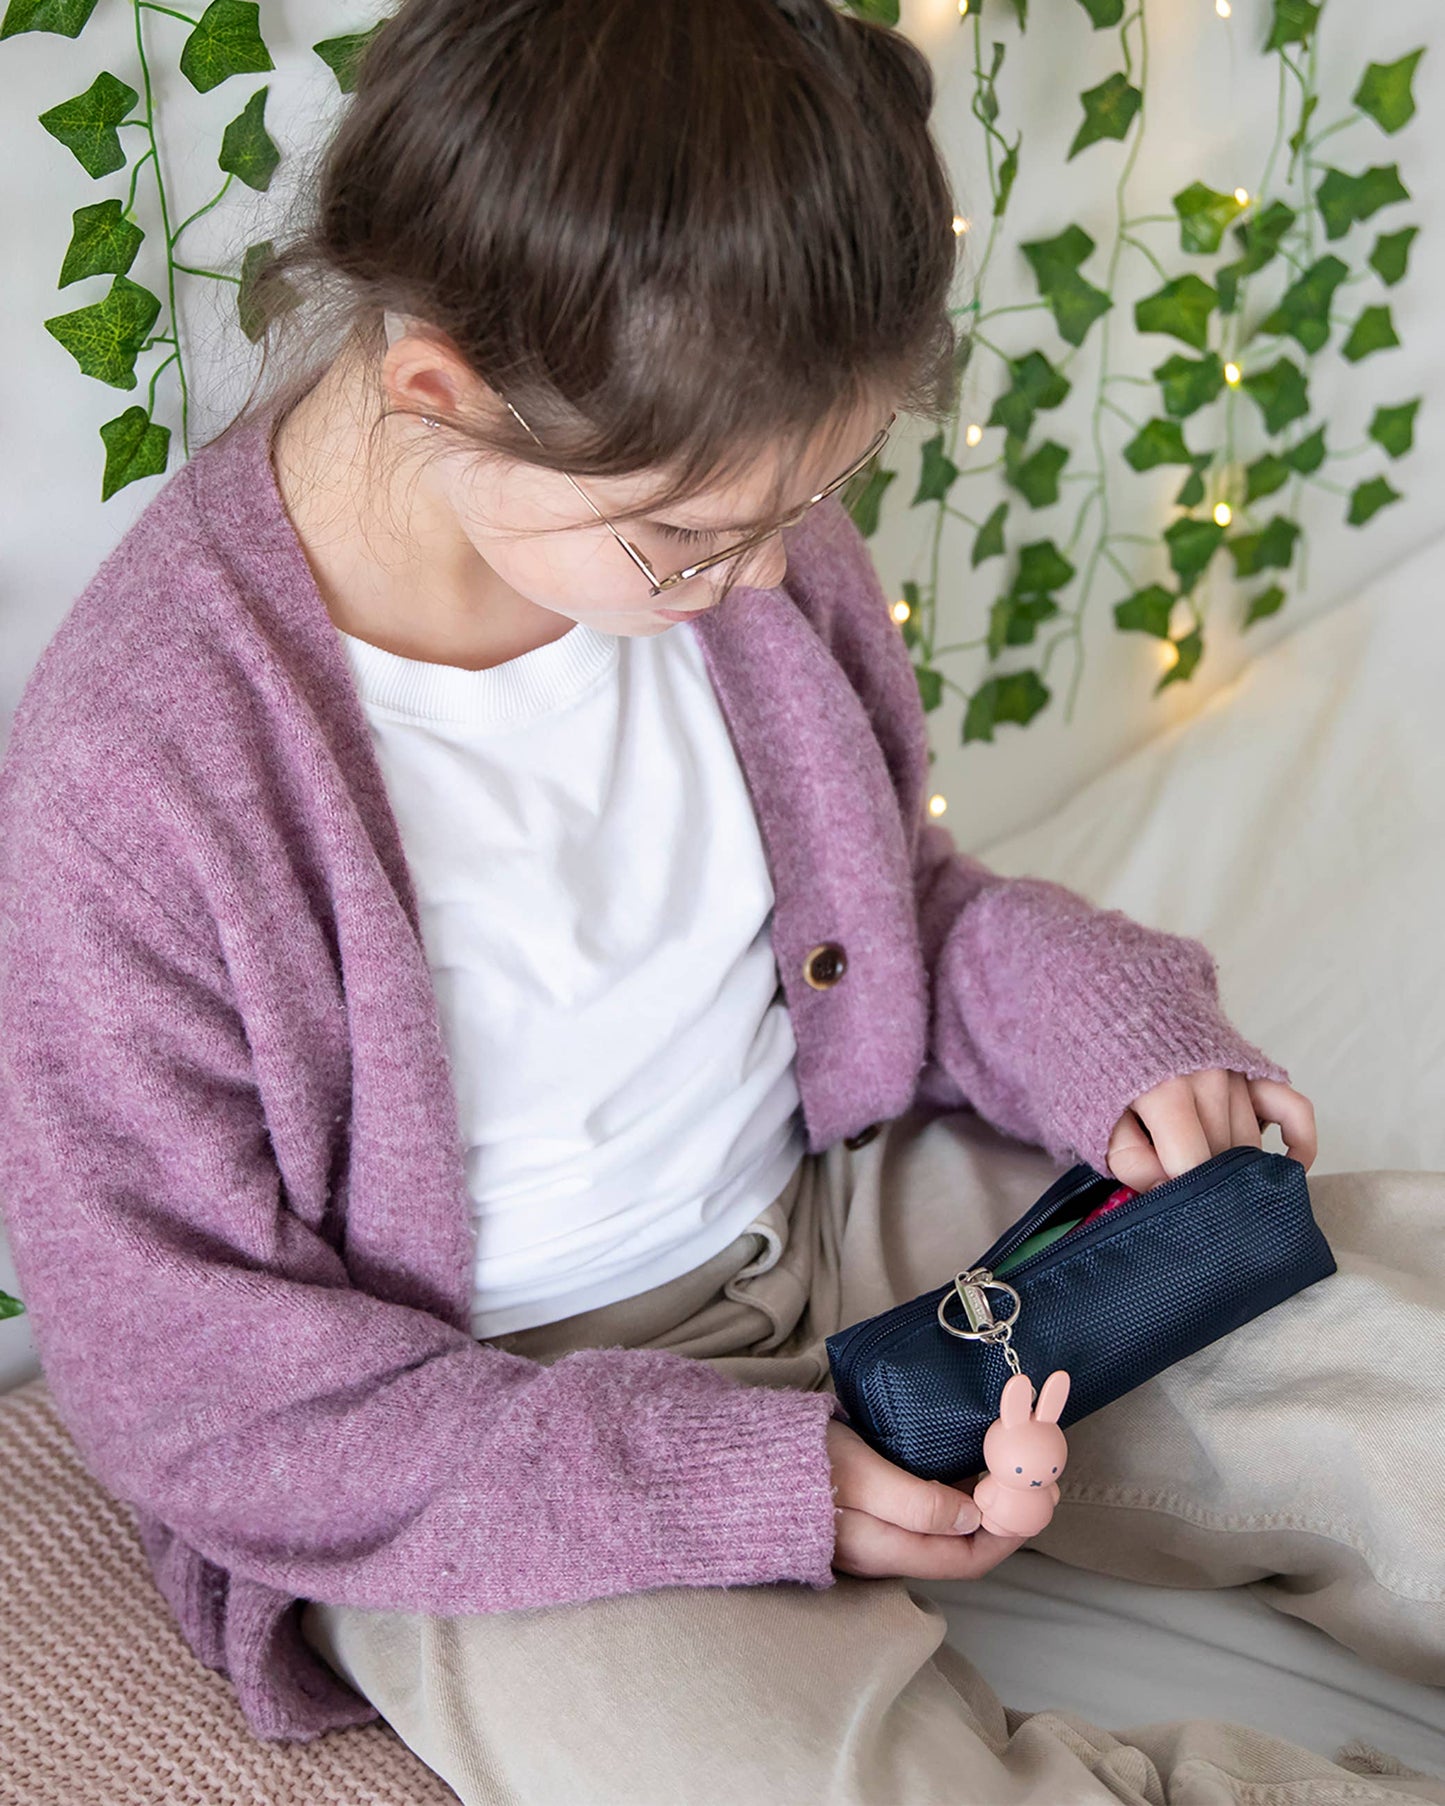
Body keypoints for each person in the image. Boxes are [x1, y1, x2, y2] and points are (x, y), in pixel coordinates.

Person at [1, 1, 1441, 1800]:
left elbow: (902, 908)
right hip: (479, 1429)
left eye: (810, 499)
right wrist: (739, 1483)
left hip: (846, 1191)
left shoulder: (734, 531)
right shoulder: (138, 762)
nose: (763, 576)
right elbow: (190, 1380)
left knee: (1384, 1377)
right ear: (436, 386)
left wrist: (1120, 1037)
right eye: (690, 537)